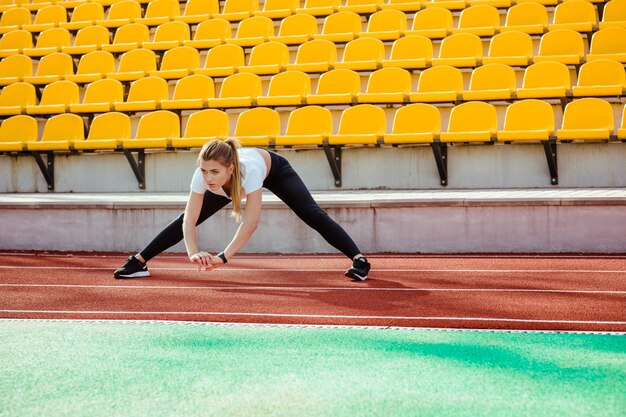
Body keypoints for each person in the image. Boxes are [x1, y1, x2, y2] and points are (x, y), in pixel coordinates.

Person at [113, 139, 371, 281]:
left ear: (230, 169)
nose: (208, 177)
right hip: (235, 182)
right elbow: (189, 220)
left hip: (275, 170)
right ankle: (139, 261)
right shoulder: (203, 177)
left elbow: (250, 222)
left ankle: (359, 260)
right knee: (182, 218)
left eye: (214, 172)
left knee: (311, 214)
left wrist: (224, 257)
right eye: (204, 170)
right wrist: (193, 253)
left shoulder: (250, 172)